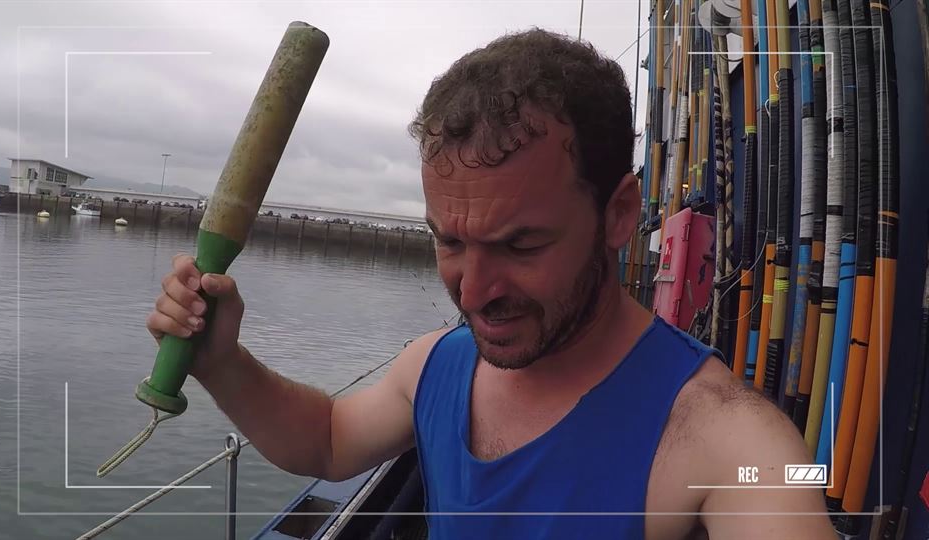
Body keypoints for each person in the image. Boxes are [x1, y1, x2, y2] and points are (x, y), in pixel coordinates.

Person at [147, 29, 836, 539]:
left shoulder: (729, 441)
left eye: (520, 244)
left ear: (618, 214)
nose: (473, 294)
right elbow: (327, 441)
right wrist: (222, 363)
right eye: (449, 242)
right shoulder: (435, 366)